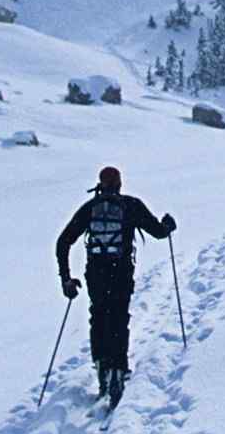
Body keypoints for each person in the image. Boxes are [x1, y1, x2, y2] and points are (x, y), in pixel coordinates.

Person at [55, 166, 175, 407]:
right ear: (120, 183)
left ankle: (102, 366)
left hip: (96, 274)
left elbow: (63, 241)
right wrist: (168, 225)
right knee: (119, 317)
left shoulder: (90, 209)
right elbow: (159, 233)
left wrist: (66, 279)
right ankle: (119, 371)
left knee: (98, 316)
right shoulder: (131, 206)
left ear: (100, 183)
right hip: (121, 273)